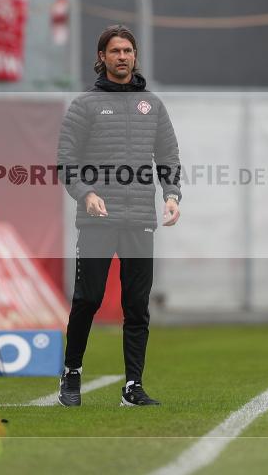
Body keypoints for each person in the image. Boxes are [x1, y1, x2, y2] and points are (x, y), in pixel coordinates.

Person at [56, 24, 181, 408]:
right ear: (101, 58)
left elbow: (168, 155)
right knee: (88, 298)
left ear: (134, 57)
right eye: (115, 51)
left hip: (140, 218)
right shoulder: (84, 105)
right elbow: (66, 163)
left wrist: (172, 193)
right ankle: (72, 373)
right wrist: (85, 193)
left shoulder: (153, 105)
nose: (122, 56)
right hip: (97, 219)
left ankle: (133, 387)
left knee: (136, 305)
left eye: (128, 50)